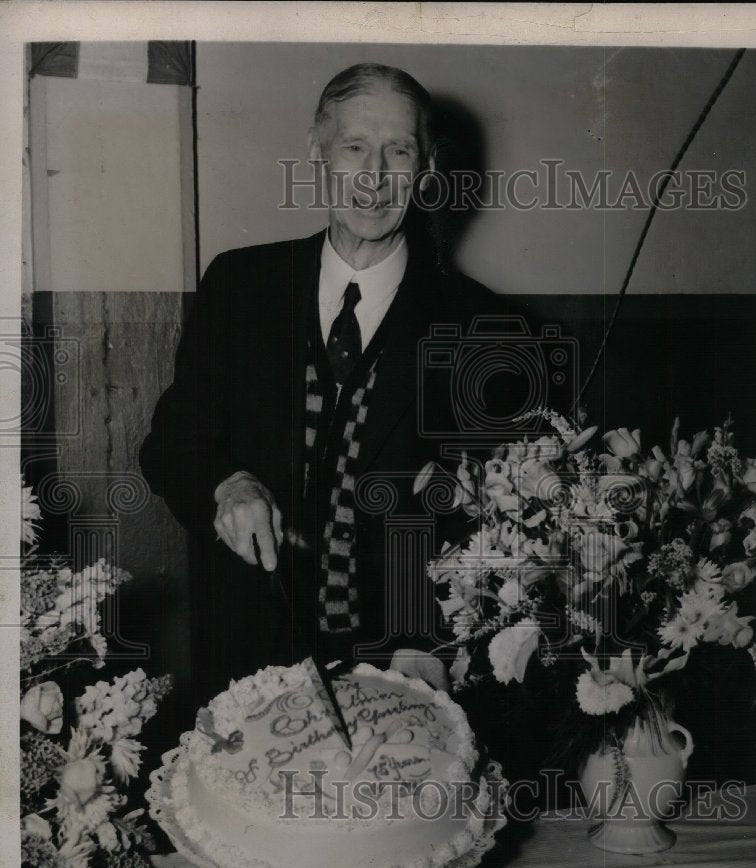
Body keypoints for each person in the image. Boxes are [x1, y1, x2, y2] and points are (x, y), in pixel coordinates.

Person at [139, 63, 502, 710]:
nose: (374, 176)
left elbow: (488, 523)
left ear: (425, 168)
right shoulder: (238, 286)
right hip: (243, 662)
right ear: (317, 150)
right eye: (354, 146)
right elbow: (171, 443)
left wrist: (429, 634)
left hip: (404, 672)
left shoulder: (484, 330)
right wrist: (227, 482)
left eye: (398, 151)